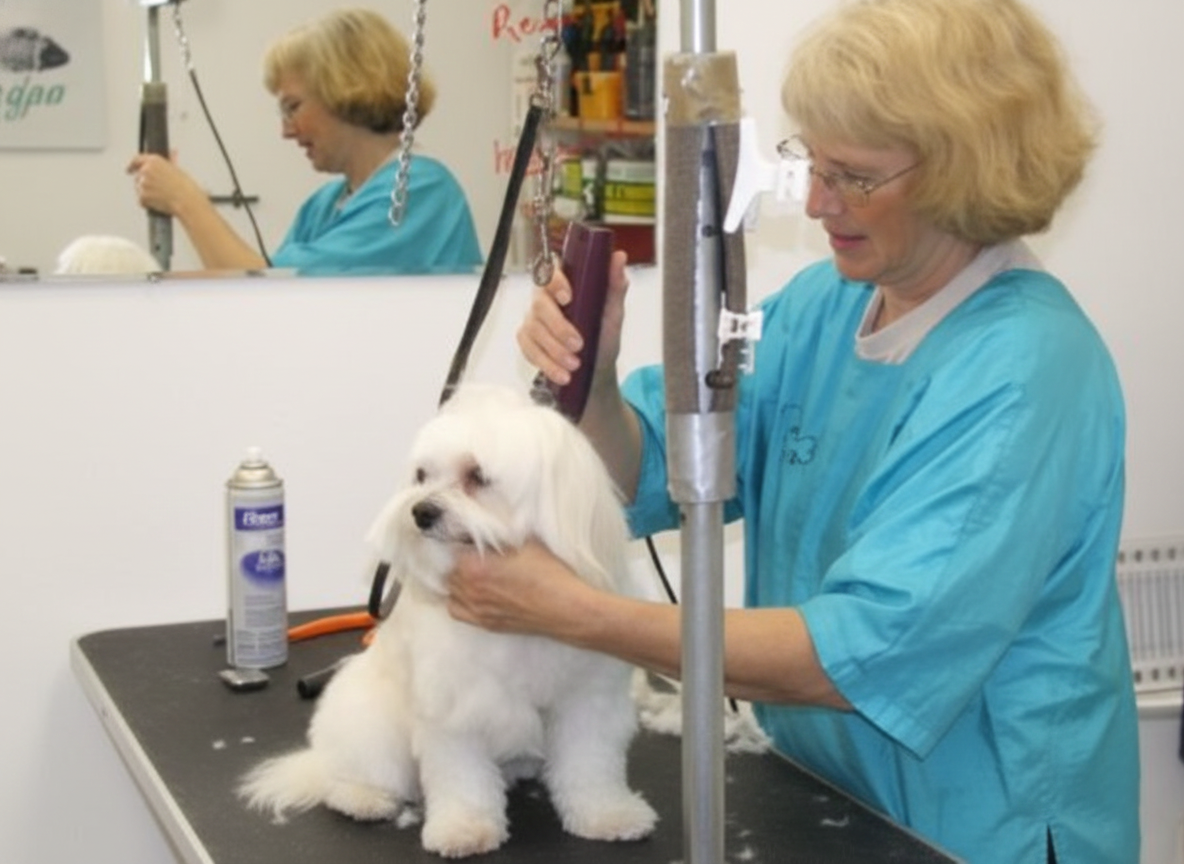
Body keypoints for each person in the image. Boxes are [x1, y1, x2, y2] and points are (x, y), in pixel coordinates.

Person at [445, 0, 1140, 861]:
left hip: (975, 828)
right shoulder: (824, 304)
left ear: (966, 169)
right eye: (812, 160)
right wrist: (592, 389)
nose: (815, 201)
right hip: (827, 790)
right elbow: (656, 470)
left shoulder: (1027, 371)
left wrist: (577, 614)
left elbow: (853, 655)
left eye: (853, 175)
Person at [126, 8, 482, 276]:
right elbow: (265, 289)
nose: (286, 131)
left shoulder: (416, 191)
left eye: (293, 107)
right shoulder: (324, 206)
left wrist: (185, 200)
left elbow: (269, 299)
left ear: (346, 89)